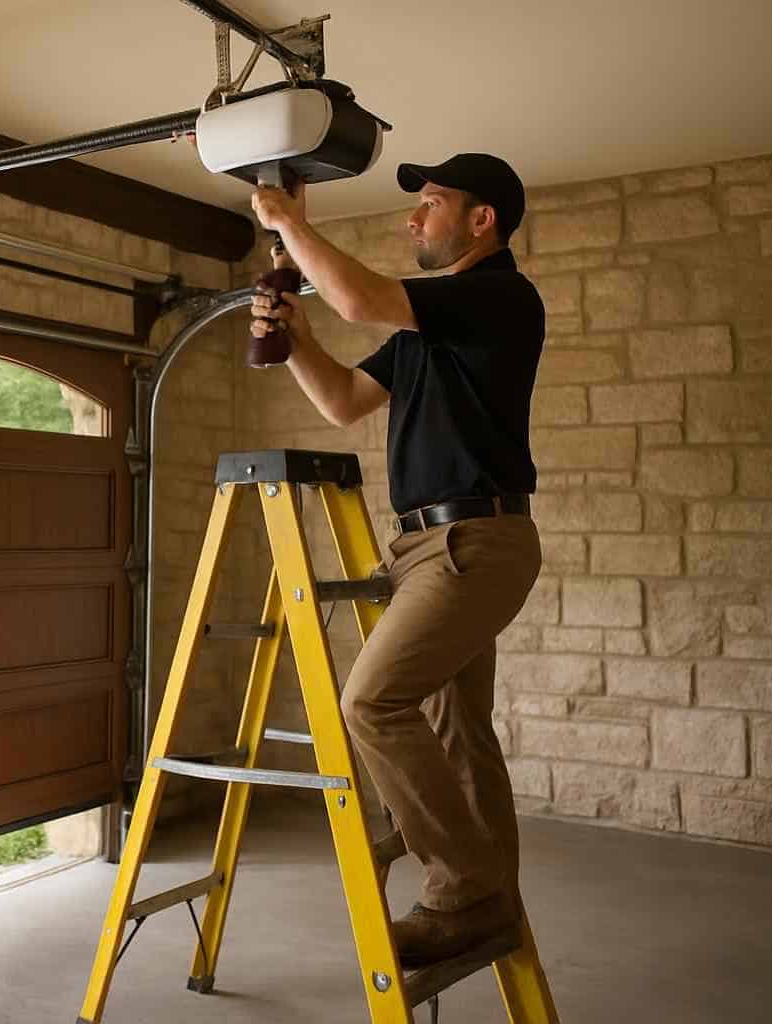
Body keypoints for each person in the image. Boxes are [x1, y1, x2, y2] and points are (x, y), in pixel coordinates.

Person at [249, 153, 545, 967]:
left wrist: (288, 224)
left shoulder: (498, 297)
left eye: (433, 204)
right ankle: (494, 902)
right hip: (426, 546)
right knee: (457, 729)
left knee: (372, 703)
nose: (413, 219)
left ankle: (460, 887)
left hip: (473, 543)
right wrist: (300, 341)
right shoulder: (431, 329)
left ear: (482, 221)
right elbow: (344, 401)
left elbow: (357, 296)